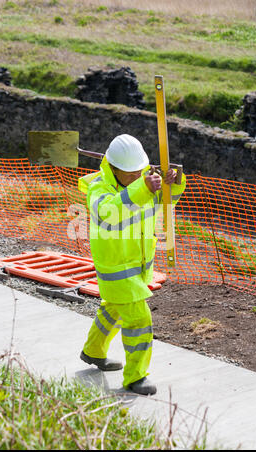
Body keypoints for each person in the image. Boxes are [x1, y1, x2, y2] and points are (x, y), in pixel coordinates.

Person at [78, 134, 186, 395]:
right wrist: (144, 188)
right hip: (116, 269)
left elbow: (162, 204)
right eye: (131, 173)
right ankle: (135, 377)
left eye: (140, 171)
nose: (137, 177)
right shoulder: (98, 189)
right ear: (113, 168)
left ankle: (93, 352)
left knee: (112, 310)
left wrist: (173, 184)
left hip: (137, 267)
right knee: (138, 318)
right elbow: (111, 214)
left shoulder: (141, 184)